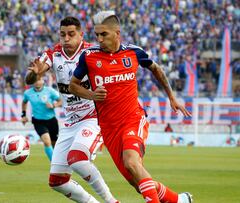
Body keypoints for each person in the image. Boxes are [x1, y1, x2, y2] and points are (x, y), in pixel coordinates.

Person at [69, 11, 193, 203]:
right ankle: (179, 200)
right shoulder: (89, 57)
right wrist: (92, 95)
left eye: (104, 34)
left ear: (117, 33)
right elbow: (73, 86)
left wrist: (171, 97)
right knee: (137, 182)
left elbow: (156, 69)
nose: (99, 39)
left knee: (132, 163)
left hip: (133, 119)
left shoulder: (134, 52)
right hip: (109, 128)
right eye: (97, 35)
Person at [26, 16, 118, 203]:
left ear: (80, 35)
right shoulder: (54, 54)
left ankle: (111, 201)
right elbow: (30, 79)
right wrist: (34, 74)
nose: (66, 39)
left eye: (71, 34)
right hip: (70, 122)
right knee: (57, 181)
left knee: (77, 158)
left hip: (93, 117)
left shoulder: (93, 52)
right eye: (62, 35)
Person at [21, 78, 62, 161]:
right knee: (47, 142)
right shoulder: (28, 93)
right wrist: (23, 115)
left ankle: (59, 162)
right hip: (38, 121)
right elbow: (24, 102)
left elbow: (61, 101)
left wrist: (53, 105)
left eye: (39, 80)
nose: (37, 82)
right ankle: (54, 163)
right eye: (35, 80)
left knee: (54, 144)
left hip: (51, 121)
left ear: (43, 81)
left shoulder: (50, 91)